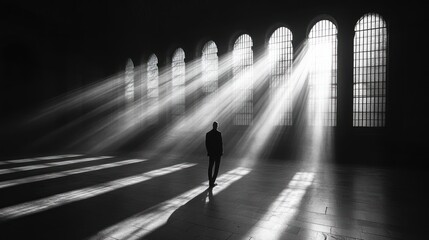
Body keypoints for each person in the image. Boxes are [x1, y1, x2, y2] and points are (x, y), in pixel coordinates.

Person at [205, 121, 223, 187]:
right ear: (217, 126)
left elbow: (207, 144)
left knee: (210, 167)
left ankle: (210, 182)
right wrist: (221, 152)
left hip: (211, 153)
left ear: (212, 126)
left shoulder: (208, 134)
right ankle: (212, 181)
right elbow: (220, 144)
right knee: (216, 168)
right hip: (217, 154)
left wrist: (208, 152)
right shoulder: (219, 134)